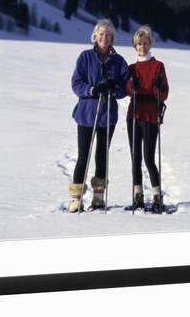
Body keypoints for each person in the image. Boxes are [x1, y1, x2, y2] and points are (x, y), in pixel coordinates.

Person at [68, 19, 129, 212]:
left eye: (108, 35)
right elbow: (76, 83)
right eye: (101, 34)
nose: (105, 37)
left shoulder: (118, 61)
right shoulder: (85, 57)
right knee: (83, 156)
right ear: (95, 36)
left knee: (102, 156)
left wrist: (115, 89)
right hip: (86, 114)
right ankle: (76, 197)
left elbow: (125, 87)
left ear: (112, 38)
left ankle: (98, 197)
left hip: (107, 116)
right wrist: (92, 90)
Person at [125, 25, 169, 213]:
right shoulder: (131, 68)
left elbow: (164, 92)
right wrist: (131, 85)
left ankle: (157, 197)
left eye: (145, 43)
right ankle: (138, 197)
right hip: (134, 113)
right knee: (135, 157)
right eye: (138, 44)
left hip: (150, 113)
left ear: (150, 44)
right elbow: (127, 90)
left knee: (149, 158)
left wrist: (158, 88)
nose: (142, 46)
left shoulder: (158, 66)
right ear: (135, 46)